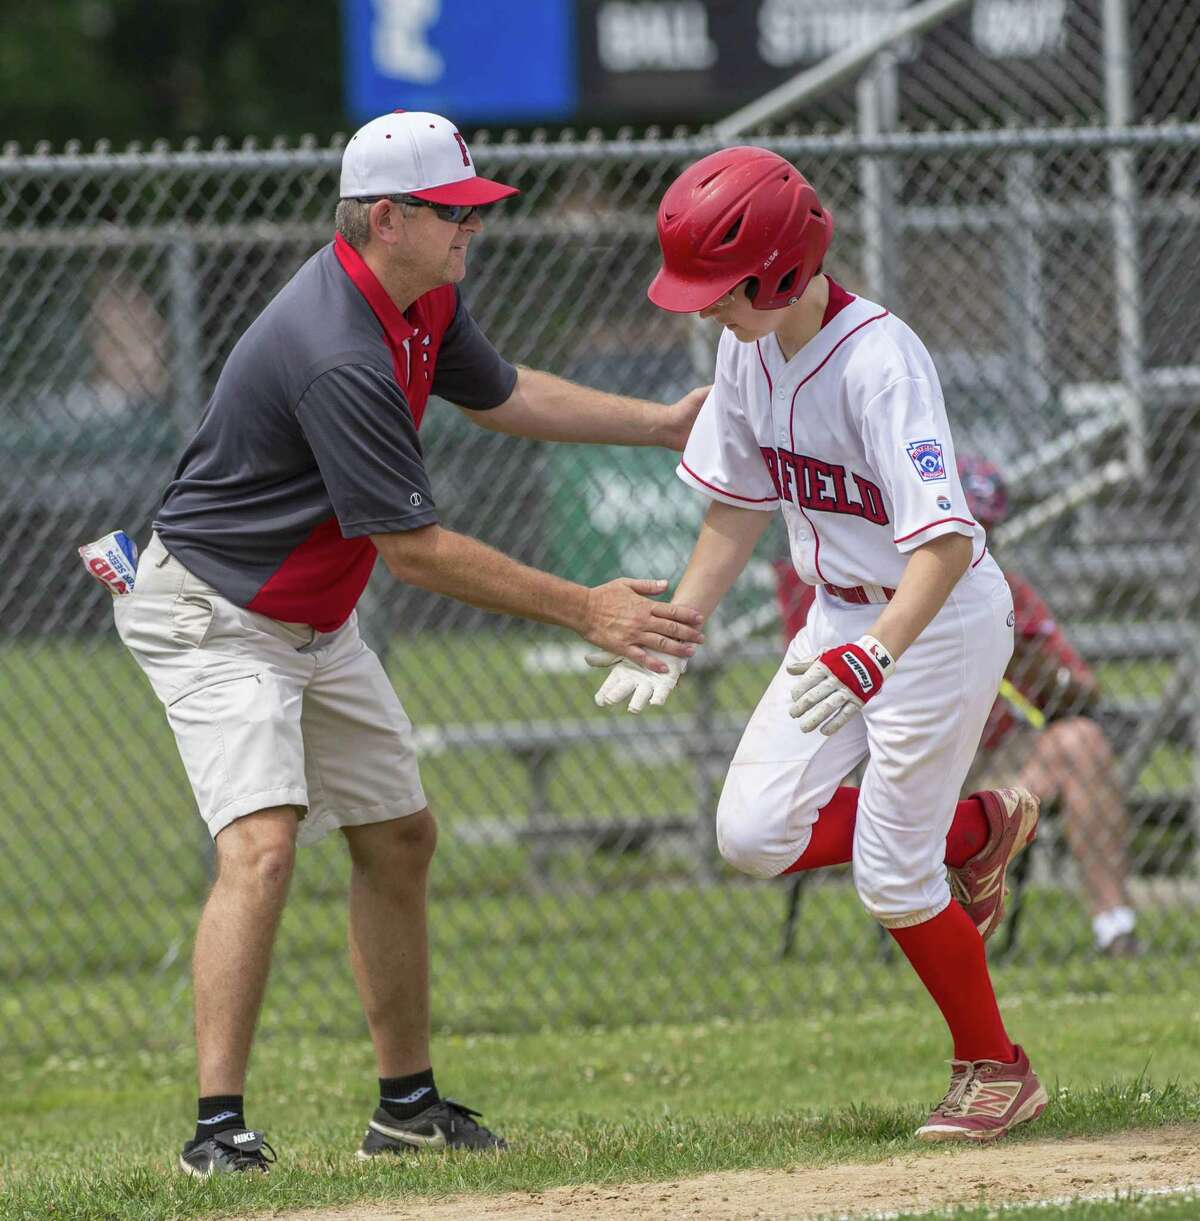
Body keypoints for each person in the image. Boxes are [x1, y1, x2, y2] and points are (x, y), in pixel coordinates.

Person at [112, 109, 708, 1176]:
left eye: (474, 210)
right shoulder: (336, 347)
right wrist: (588, 608)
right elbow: (417, 552)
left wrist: (661, 423)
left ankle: (406, 1108)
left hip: (309, 617)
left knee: (399, 834)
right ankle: (215, 1134)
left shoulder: (423, 292)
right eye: (455, 213)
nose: (473, 228)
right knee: (263, 844)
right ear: (387, 219)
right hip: (216, 615)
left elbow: (507, 392)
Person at [592, 146, 1046, 1142]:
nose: (708, 309)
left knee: (891, 874)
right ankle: (976, 831)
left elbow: (945, 539)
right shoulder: (745, 349)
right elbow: (733, 510)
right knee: (750, 836)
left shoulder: (883, 361)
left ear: (787, 269)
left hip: (934, 621)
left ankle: (995, 1070)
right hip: (840, 615)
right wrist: (675, 631)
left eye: (723, 288)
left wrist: (876, 653)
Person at [957, 455, 1140, 957]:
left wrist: (1040, 673)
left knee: (1082, 740)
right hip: (921, 765)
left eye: (987, 529)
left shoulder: (1005, 589)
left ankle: (1114, 928)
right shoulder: (889, 586)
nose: (977, 540)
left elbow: (1082, 685)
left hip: (999, 760)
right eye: (966, 524)